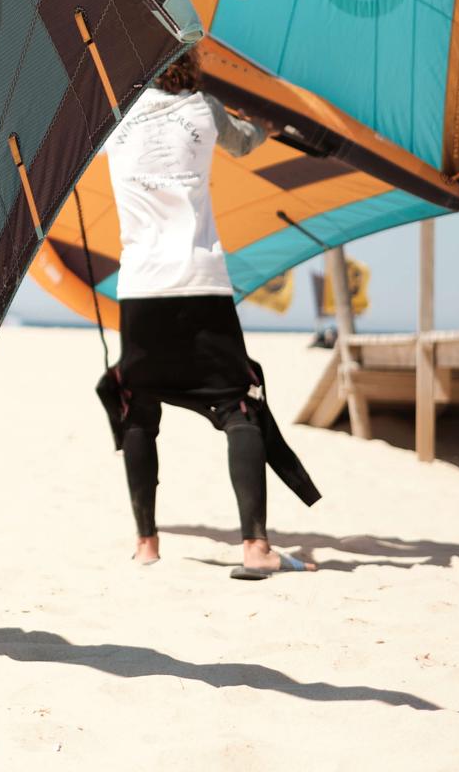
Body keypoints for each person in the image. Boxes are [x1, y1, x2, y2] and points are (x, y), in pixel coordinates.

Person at [101, 53, 319, 579]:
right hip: (200, 280)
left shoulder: (111, 116)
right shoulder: (205, 107)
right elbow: (243, 141)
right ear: (191, 65)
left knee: (138, 405)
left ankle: (147, 544)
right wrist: (266, 125)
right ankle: (255, 547)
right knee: (238, 404)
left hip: (141, 285)